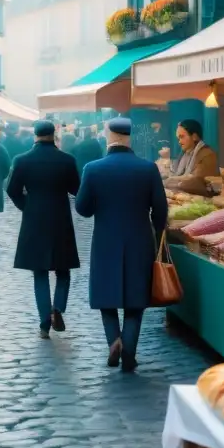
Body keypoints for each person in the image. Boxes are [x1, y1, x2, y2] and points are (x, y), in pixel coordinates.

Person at [75, 117, 167, 373]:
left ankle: (114, 340)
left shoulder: (93, 169)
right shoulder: (148, 169)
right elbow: (161, 210)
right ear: (130, 138)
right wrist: (160, 234)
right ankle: (128, 348)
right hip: (139, 240)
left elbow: (82, 209)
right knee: (136, 299)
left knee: (106, 296)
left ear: (109, 136)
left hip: (105, 241)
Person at [7, 120, 80, 339]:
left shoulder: (22, 160)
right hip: (60, 219)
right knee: (63, 270)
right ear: (54, 134)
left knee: (39, 272)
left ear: (35, 136)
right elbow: (77, 189)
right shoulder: (67, 160)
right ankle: (58, 307)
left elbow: (12, 190)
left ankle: (44, 323)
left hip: (34, 220)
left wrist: (26, 207)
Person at [165, 119, 218, 195]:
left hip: (202, 199)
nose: (179, 142)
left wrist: (173, 181)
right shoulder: (184, 153)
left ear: (194, 136)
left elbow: (197, 181)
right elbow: (174, 172)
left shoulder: (207, 154)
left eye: (182, 137)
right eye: (178, 138)